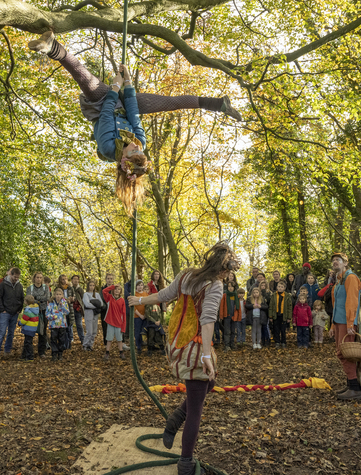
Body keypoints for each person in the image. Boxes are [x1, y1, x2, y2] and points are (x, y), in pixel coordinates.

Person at [28, 32, 242, 211]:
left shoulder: (108, 146)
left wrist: (114, 86)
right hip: (127, 105)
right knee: (171, 103)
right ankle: (219, 105)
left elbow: (106, 113)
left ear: (123, 159)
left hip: (104, 105)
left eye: (132, 151)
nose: (136, 146)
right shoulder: (140, 143)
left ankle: (52, 47)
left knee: (86, 78)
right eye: (140, 151)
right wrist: (127, 81)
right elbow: (133, 114)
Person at [128, 242, 240, 475]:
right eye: (228, 271)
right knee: (197, 408)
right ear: (223, 269)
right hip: (195, 347)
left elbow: (163, 295)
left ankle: (176, 417)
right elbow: (208, 320)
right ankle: (185, 462)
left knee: (209, 384)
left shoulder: (187, 275)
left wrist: (140, 300)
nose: (229, 275)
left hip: (179, 341)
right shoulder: (214, 284)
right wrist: (207, 355)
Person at [327, 252, 361, 401]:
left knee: (346, 353)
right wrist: (332, 326)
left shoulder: (351, 278)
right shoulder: (338, 281)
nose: (335, 262)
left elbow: (352, 302)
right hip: (339, 322)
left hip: (347, 323)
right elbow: (335, 305)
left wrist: (350, 323)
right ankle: (351, 385)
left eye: (338, 260)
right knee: (341, 352)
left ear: (345, 263)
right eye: (334, 260)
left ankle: (355, 389)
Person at [0, 267, 25, 359]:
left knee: (11, 332)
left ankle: (7, 351)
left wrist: (20, 308)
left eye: (18, 277)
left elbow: (21, 298)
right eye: (15, 277)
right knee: (2, 331)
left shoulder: (19, 286)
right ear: (11, 274)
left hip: (15, 312)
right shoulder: (3, 284)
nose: (16, 279)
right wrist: (2, 309)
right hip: (5, 312)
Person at [26, 271, 51, 357]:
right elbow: (29, 299)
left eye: (40, 277)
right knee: (31, 331)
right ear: (34, 278)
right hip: (32, 311)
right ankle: (29, 352)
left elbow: (47, 297)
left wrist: (36, 298)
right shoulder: (30, 288)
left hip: (43, 311)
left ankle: (42, 352)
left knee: (43, 332)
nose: (39, 279)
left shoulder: (45, 288)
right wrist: (40, 299)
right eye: (37, 277)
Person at [102, 284, 127, 360]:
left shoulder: (122, 300)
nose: (117, 291)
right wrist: (112, 286)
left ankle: (121, 352)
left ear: (121, 291)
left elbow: (124, 313)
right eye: (115, 289)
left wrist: (123, 326)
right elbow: (104, 291)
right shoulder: (109, 298)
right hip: (110, 322)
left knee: (119, 339)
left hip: (119, 323)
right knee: (109, 339)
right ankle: (107, 352)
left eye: (118, 289)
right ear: (113, 290)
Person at [47, 288, 70, 361]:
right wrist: (52, 317)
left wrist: (62, 305)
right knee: (53, 339)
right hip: (53, 325)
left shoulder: (64, 303)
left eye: (60, 294)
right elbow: (47, 314)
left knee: (61, 339)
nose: (58, 296)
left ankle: (60, 353)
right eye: (57, 294)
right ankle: (54, 353)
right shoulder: (50, 304)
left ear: (62, 295)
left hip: (62, 324)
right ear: (54, 295)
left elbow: (67, 312)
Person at [269, 280, 292, 349]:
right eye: (279, 286)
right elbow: (271, 306)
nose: (280, 288)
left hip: (283, 315)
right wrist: (270, 316)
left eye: (282, 287)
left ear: (284, 288)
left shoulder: (287, 296)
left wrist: (289, 317)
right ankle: (277, 342)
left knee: (283, 330)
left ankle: (283, 342)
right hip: (276, 315)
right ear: (277, 287)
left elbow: (289, 307)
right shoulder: (274, 295)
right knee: (276, 330)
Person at [82, 281, 104, 351]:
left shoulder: (97, 294)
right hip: (88, 312)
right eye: (90, 285)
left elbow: (101, 304)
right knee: (89, 331)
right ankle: (85, 345)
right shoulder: (86, 294)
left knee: (94, 331)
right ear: (88, 286)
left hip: (96, 313)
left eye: (93, 285)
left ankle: (90, 345)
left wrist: (96, 305)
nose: (92, 287)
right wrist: (95, 305)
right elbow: (87, 304)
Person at [220, 278, 239, 350]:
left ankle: (232, 344)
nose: (230, 288)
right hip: (227, 316)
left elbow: (238, 308)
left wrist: (238, 316)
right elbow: (222, 306)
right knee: (227, 331)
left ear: (234, 287)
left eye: (231, 286)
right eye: (229, 286)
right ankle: (227, 345)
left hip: (234, 316)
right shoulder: (224, 295)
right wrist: (221, 316)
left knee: (233, 331)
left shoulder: (236, 296)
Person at [19, 295, 40, 360]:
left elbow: (24, 320)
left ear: (26, 302)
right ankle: (24, 355)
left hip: (28, 328)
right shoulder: (35, 309)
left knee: (28, 342)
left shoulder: (28, 310)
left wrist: (20, 323)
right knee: (27, 342)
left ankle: (30, 356)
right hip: (33, 327)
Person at [132, 281, 149, 352]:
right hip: (137, 316)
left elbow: (148, 304)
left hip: (145, 316)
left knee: (144, 331)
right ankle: (138, 347)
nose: (140, 286)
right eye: (138, 285)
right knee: (137, 332)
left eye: (141, 285)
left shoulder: (145, 294)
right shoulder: (134, 294)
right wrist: (140, 315)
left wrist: (145, 314)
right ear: (136, 286)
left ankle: (144, 344)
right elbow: (133, 307)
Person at [70, 275, 86, 347]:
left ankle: (82, 339)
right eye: (74, 279)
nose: (76, 280)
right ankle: (70, 338)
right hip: (70, 309)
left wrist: (81, 308)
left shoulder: (80, 289)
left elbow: (83, 299)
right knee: (70, 324)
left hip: (78, 310)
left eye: (77, 279)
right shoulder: (70, 288)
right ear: (72, 280)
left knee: (79, 324)